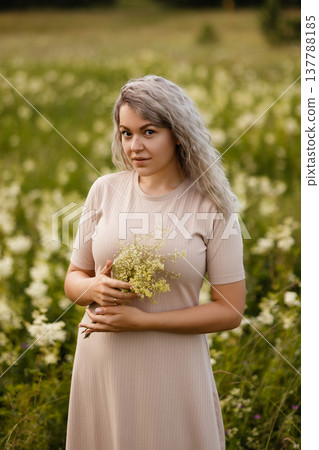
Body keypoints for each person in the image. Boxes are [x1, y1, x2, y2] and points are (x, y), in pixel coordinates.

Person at [64, 75, 246, 450]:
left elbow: (230, 311)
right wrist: (91, 288)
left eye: (149, 132)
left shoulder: (213, 206)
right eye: (126, 133)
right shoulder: (105, 190)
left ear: (178, 133)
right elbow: (73, 278)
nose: (134, 146)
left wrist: (144, 322)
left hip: (172, 367)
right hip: (102, 362)